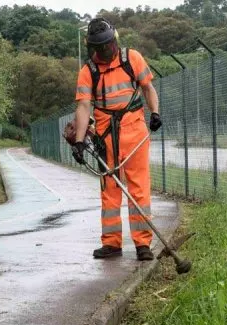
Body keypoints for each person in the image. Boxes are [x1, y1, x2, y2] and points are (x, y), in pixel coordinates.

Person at [72, 18, 162, 260]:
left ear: (114, 40)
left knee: (138, 188)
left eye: (107, 45)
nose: (104, 51)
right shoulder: (88, 71)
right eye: (99, 48)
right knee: (110, 191)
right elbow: (83, 107)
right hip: (105, 138)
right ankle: (111, 243)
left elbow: (148, 88)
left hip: (135, 134)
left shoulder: (132, 58)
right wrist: (80, 141)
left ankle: (143, 244)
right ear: (92, 48)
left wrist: (154, 113)